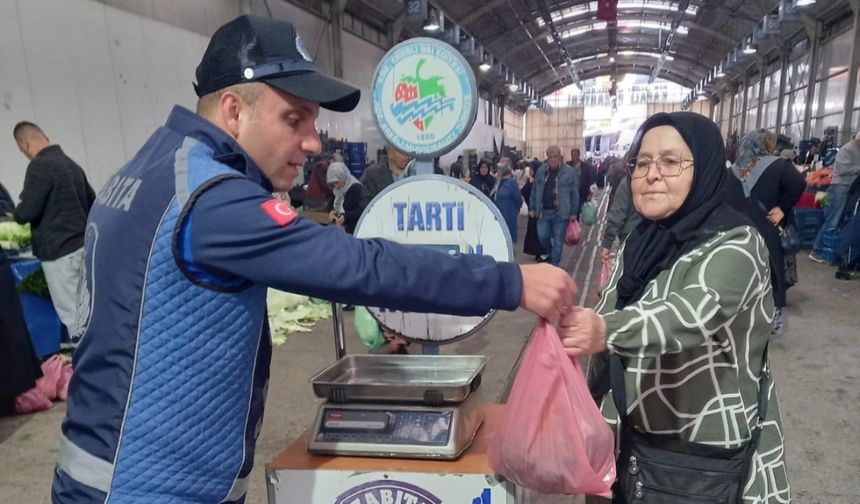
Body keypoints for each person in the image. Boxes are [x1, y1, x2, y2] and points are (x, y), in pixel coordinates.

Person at [51, 15, 576, 504]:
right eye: (293, 119)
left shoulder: (150, 167)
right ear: (234, 110)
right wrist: (510, 282)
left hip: (101, 469)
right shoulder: (212, 201)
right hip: (147, 486)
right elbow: (359, 266)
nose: (311, 142)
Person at [562, 112, 789, 504]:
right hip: (627, 449)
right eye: (642, 162)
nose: (652, 174)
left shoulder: (738, 245)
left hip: (700, 464)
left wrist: (605, 331)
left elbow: (689, 315)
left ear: (703, 169)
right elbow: (608, 325)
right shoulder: (641, 241)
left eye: (670, 162)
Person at [12, 122, 94, 335]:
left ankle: (86, 365)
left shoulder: (39, 167)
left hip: (59, 256)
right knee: (91, 312)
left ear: (26, 144)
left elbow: (27, 212)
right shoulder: (71, 164)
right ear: (45, 137)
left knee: (74, 321)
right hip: (83, 249)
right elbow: (92, 202)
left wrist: (15, 214)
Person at [730, 129, 805, 336]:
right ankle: (775, 317)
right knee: (773, 270)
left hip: (738, 230)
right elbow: (799, 183)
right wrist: (783, 207)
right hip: (767, 227)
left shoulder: (734, 170)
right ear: (767, 145)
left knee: (740, 272)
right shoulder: (780, 165)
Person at [810, 132, 860, 263]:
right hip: (839, 188)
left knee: (841, 220)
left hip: (849, 189)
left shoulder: (857, 150)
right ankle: (817, 250)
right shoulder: (847, 149)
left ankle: (831, 250)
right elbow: (842, 170)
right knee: (832, 220)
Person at [529, 145, 579, 266]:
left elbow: (574, 193)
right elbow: (534, 190)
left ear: (560, 157)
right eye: (550, 157)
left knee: (558, 240)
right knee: (543, 237)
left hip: (561, 213)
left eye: (555, 156)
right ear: (547, 157)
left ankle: (554, 265)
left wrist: (573, 212)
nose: (553, 159)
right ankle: (551, 254)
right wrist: (532, 208)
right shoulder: (541, 171)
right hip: (543, 211)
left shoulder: (569, 172)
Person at [599, 177, 641, 264]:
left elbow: (617, 214)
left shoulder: (628, 181)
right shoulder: (663, 181)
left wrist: (607, 244)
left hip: (630, 236)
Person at [326, 162, 371, 235]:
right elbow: (331, 204)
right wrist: (331, 212)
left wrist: (346, 217)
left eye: (337, 182)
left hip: (355, 231)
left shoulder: (357, 189)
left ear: (343, 178)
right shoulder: (337, 191)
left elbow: (365, 209)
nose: (336, 186)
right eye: (332, 184)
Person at [491, 158, 522, 243]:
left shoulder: (511, 183)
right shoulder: (497, 182)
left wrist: (513, 211)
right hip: (496, 216)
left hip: (508, 216)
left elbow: (518, 200)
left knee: (508, 240)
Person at [570, 147, 596, 214]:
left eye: (575, 155)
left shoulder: (585, 166)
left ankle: (576, 222)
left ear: (578, 156)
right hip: (570, 192)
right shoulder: (568, 165)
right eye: (572, 155)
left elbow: (589, 179)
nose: (573, 157)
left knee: (578, 209)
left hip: (581, 191)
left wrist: (590, 193)